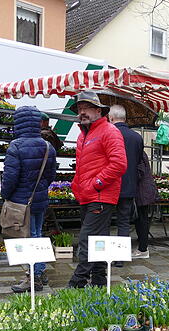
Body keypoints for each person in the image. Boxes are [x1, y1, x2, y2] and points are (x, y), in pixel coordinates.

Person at [67, 91, 127, 288]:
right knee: (98, 239)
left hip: (101, 196)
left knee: (87, 239)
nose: (82, 112)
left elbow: (119, 164)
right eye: (79, 109)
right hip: (88, 196)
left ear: (98, 110)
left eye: (86, 108)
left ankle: (78, 281)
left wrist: (96, 183)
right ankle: (100, 281)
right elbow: (83, 166)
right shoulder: (83, 135)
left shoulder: (109, 131)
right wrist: (77, 186)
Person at [2, 106, 57, 293]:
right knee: (38, 234)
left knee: (27, 238)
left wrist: (6, 195)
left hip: (21, 202)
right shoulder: (48, 146)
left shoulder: (15, 146)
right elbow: (51, 176)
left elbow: (10, 178)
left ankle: (32, 278)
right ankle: (40, 272)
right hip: (40, 199)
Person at [108, 104, 156, 262]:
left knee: (105, 222)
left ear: (111, 118)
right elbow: (138, 162)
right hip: (129, 186)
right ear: (125, 118)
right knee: (123, 223)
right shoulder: (136, 137)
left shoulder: (108, 133)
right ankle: (120, 258)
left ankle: (103, 256)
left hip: (109, 185)